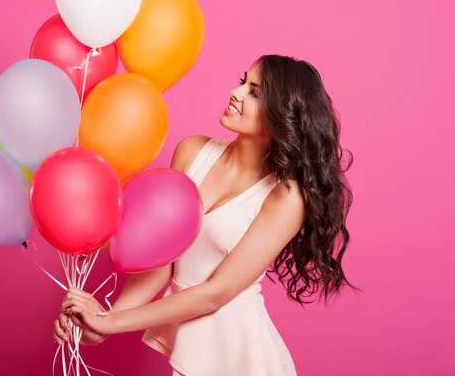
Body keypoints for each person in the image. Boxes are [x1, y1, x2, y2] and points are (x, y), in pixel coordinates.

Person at [53, 54, 358, 376]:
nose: (236, 92)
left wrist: (112, 322)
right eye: (243, 82)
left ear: (281, 116)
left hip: (243, 356)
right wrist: (101, 321)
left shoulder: (286, 197)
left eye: (254, 92)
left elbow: (214, 294)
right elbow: (164, 261)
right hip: (195, 349)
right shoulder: (193, 152)